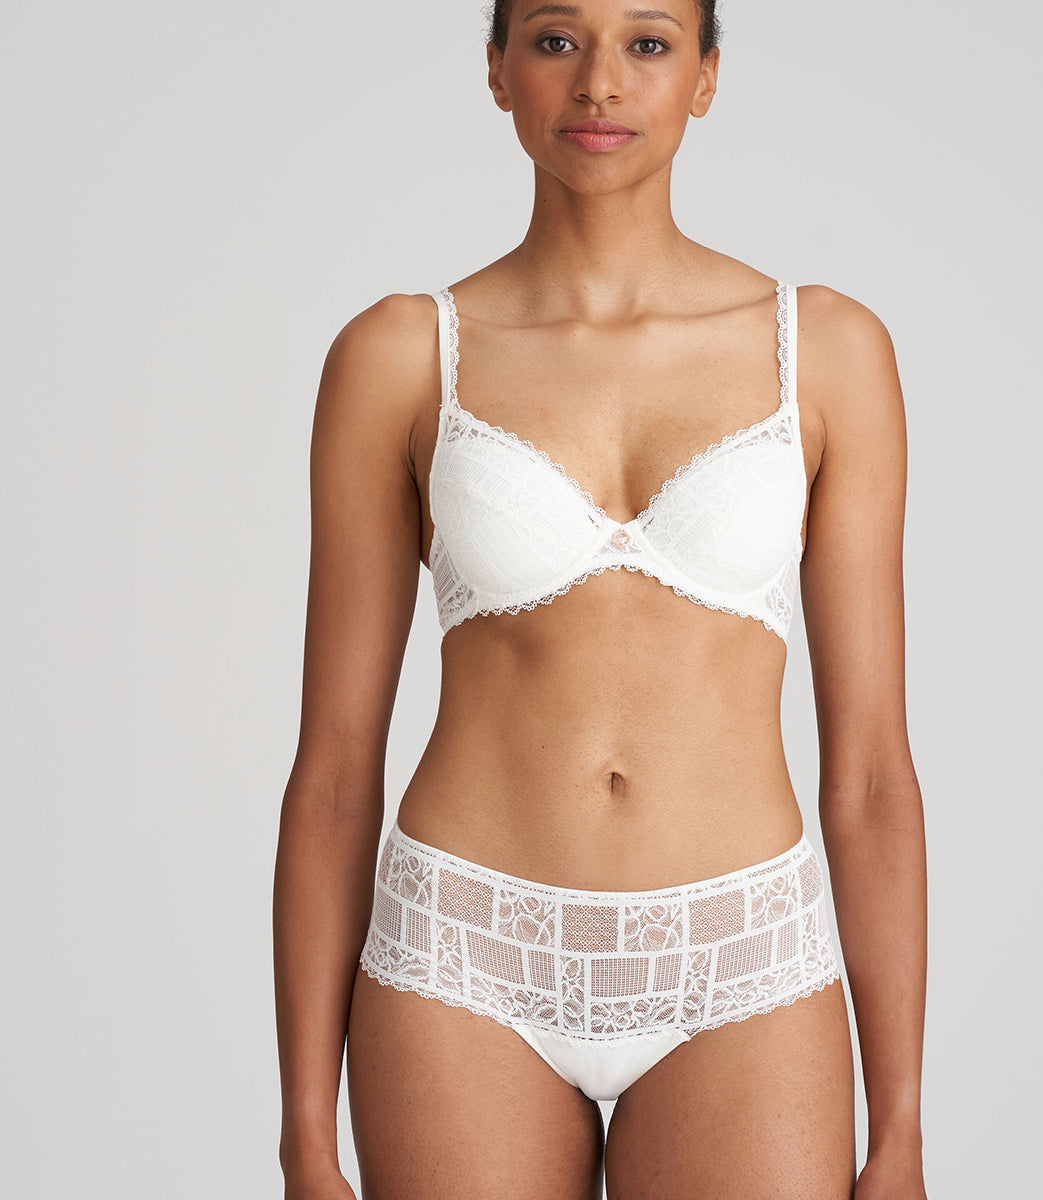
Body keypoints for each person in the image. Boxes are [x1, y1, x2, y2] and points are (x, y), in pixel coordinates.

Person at [273, 2, 928, 1197]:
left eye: (649, 42)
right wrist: (305, 1138)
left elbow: (874, 772)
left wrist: (902, 1133)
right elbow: (331, 771)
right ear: (497, 70)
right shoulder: (401, 356)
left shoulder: (827, 351)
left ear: (707, 77)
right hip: (464, 953)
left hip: (742, 959)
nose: (601, 85)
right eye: (556, 39)